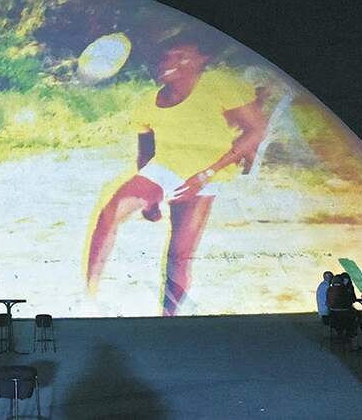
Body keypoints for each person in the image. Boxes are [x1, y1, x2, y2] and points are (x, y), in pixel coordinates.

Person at [86, 36, 268, 315]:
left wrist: (207, 174)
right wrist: (150, 200)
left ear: (201, 60)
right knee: (109, 213)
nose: (170, 63)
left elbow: (256, 130)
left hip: (208, 172)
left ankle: (167, 318)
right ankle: (89, 297)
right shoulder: (148, 102)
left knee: (179, 255)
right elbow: (145, 154)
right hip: (166, 167)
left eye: (181, 56)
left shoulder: (218, 85)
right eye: (165, 57)